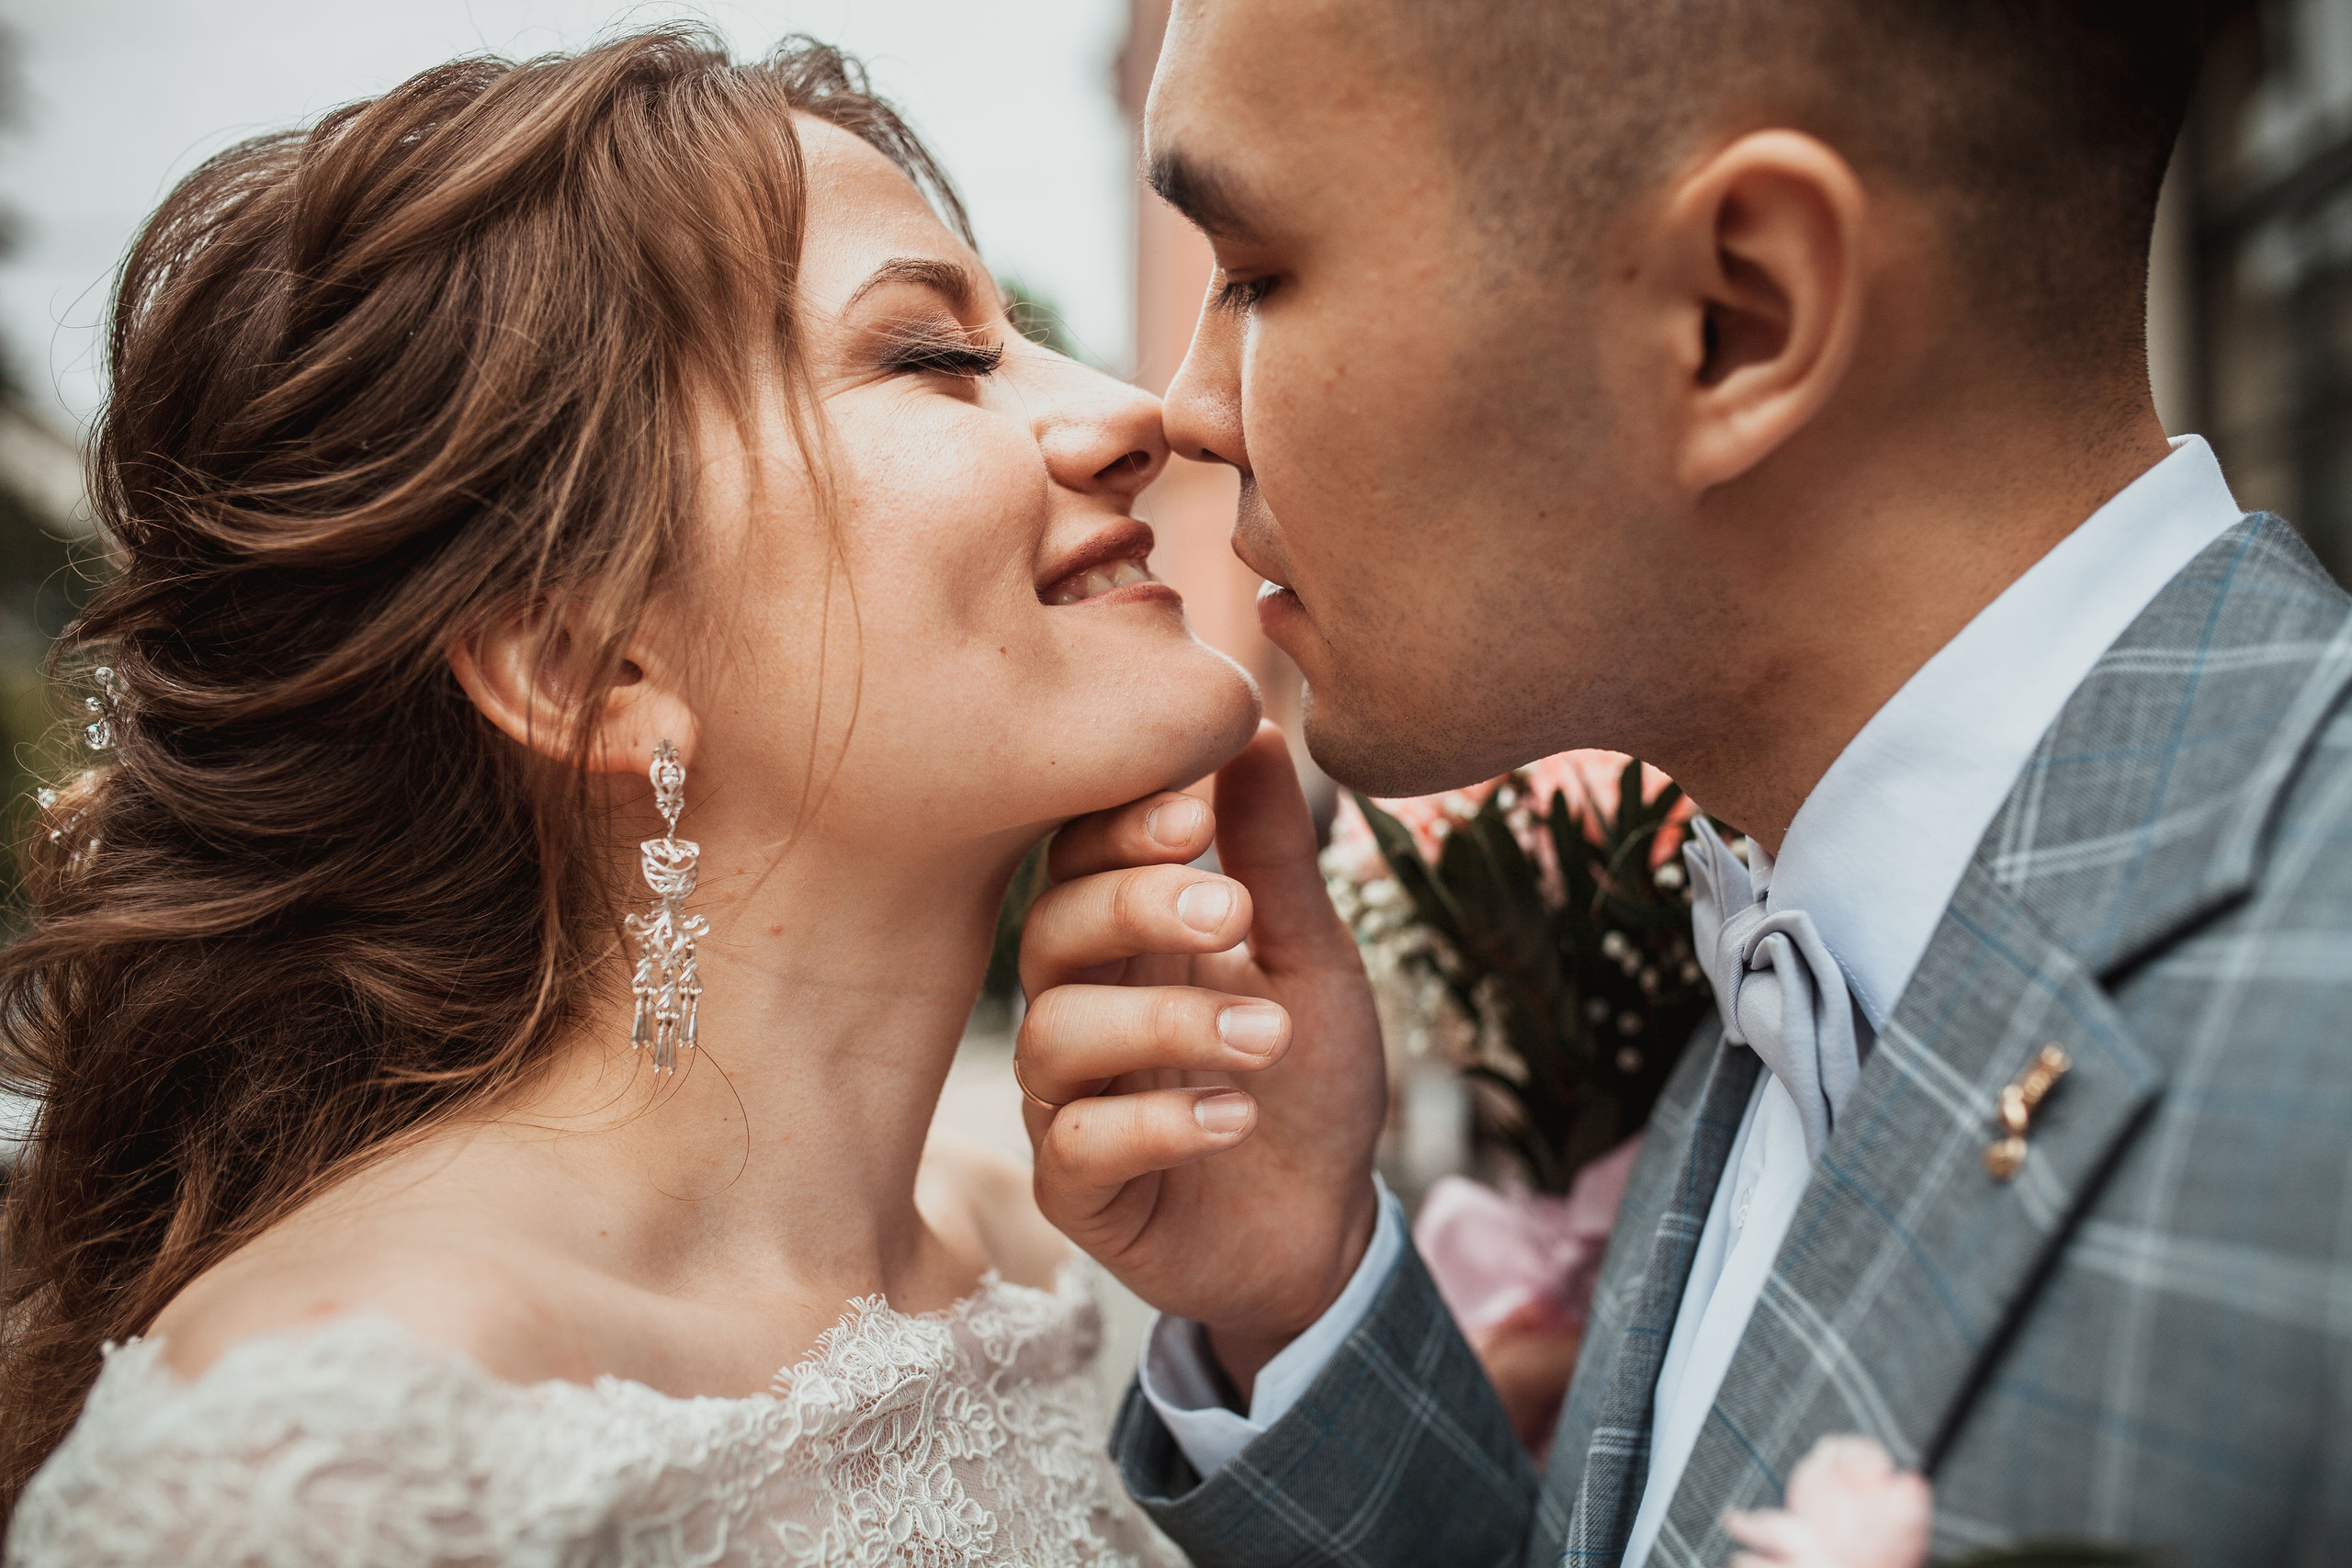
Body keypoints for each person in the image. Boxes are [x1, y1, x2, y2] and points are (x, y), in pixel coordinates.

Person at [1013, 1, 2352, 1562]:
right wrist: (1296, 1290)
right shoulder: (1793, 927)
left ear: (1736, 318)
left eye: (1253, 271)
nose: (1180, 409)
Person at [0, 30, 1259, 1565]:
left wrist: (1295, 1306)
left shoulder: (1030, 1255)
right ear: (587, 663)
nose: (1137, 415)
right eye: (933, 356)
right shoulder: (321, 1444)